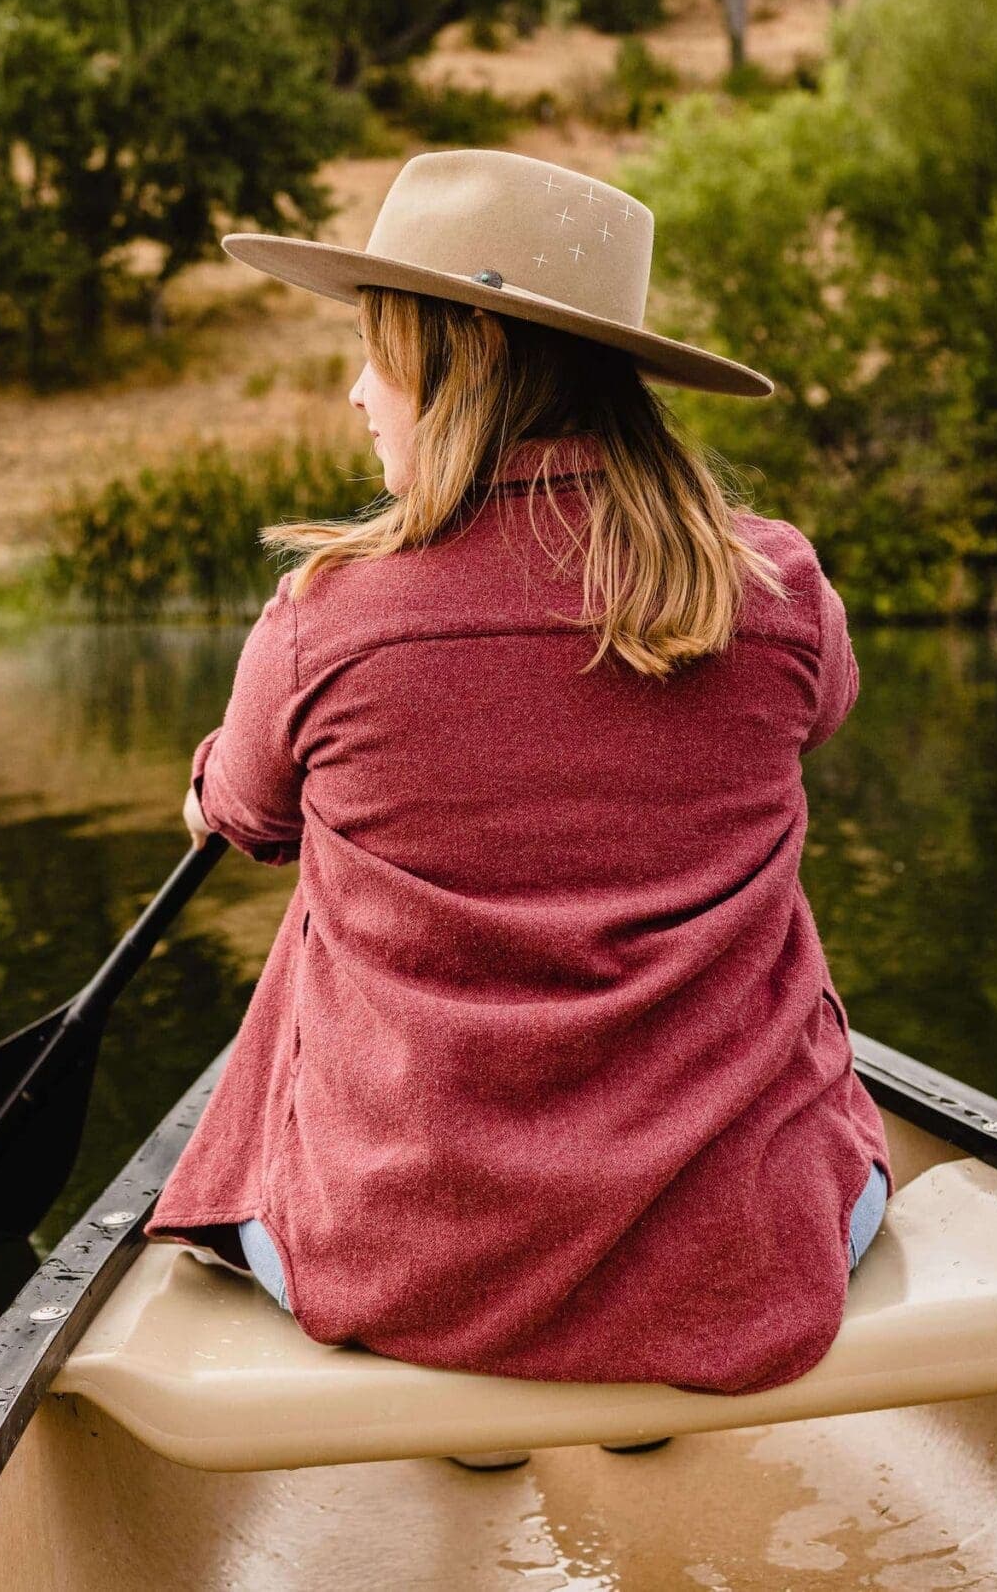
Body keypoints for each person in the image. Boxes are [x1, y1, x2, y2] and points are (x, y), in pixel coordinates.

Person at [143, 148, 889, 1469]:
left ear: (463, 356)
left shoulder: (325, 617)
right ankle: (645, 1379)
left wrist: (210, 781)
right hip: (757, 1255)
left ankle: (475, 1404)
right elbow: (820, 710)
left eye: (377, 351)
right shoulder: (774, 587)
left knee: (321, 915)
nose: (357, 391)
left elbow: (249, 813)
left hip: (403, 1272)